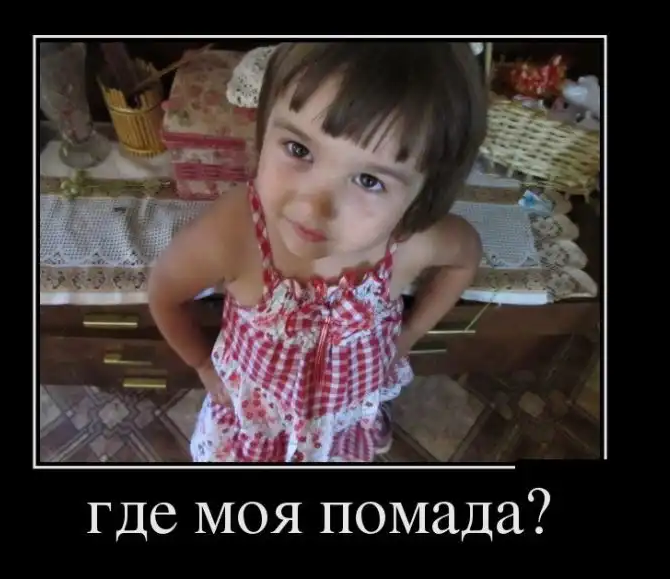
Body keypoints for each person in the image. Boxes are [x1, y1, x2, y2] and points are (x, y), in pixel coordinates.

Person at [147, 41, 487, 462]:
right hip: (257, 420)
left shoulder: (414, 242)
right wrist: (202, 364)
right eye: (299, 149)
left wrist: (410, 335)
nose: (313, 206)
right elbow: (164, 293)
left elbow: (464, 259)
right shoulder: (235, 232)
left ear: (421, 201)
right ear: (264, 130)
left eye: (369, 181)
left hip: (346, 410)